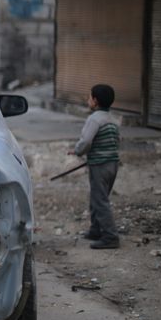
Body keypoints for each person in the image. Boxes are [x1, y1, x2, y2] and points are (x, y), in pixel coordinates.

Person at [69, 84, 121, 249]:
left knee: (100, 201)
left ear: (95, 101)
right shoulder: (112, 119)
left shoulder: (94, 119)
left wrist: (77, 151)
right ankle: (96, 230)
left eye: (89, 97)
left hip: (100, 165)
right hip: (112, 164)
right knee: (98, 197)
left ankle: (110, 237)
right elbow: (116, 141)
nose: (87, 100)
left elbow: (86, 141)